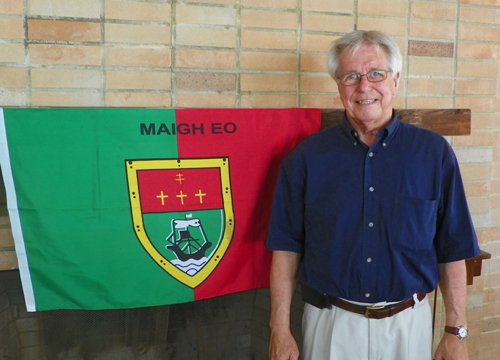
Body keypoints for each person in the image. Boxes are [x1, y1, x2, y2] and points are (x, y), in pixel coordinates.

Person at [266, 30, 480, 360]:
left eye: (376, 74)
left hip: (408, 326)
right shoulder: (306, 158)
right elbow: (286, 247)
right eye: (351, 76)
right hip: (330, 325)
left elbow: (454, 246)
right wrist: (279, 329)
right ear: (339, 86)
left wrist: (456, 331)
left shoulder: (433, 153)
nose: (364, 87)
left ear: (395, 80)